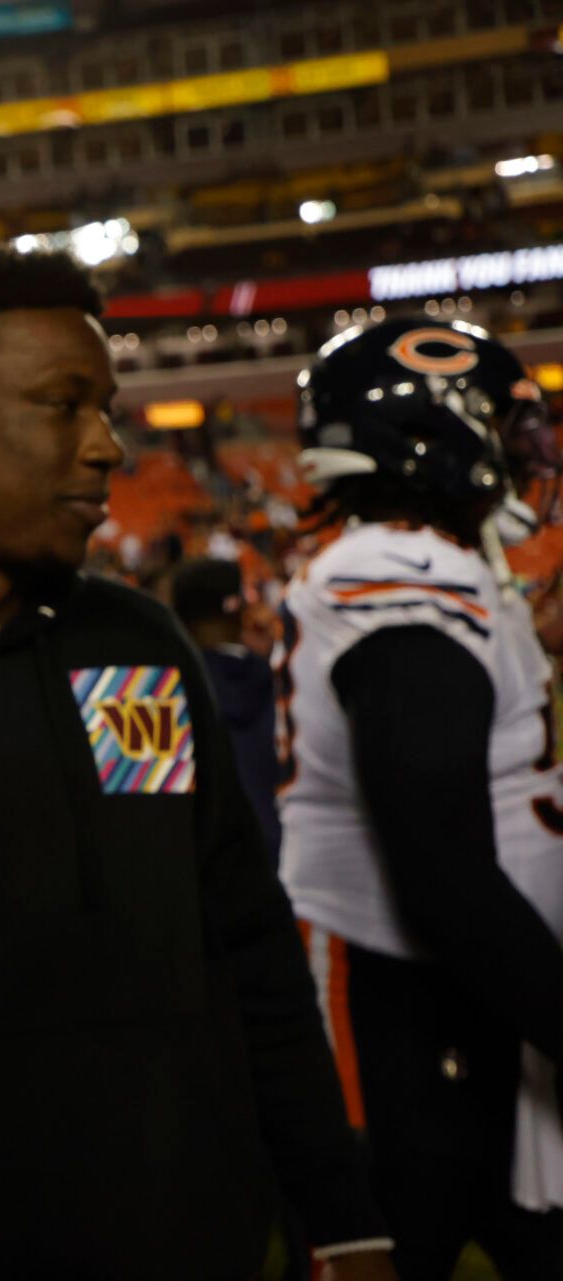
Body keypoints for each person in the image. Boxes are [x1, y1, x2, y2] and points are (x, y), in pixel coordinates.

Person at [0, 240, 393, 1280]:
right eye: (65, 404)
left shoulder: (138, 650)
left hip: (186, 1231)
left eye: (105, 407)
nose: (107, 445)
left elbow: (244, 940)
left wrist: (340, 1213)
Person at [279, 317, 563, 1278]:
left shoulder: (426, 563)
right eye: (505, 426)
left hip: (448, 991)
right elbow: (440, 868)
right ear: (438, 430)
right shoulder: (396, 570)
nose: (524, 455)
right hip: (390, 996)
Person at [173, 556, 282, 860]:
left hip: (203, 867)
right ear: (239, 613)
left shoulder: (163, 690)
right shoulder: (280, 679)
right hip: (279, 855)